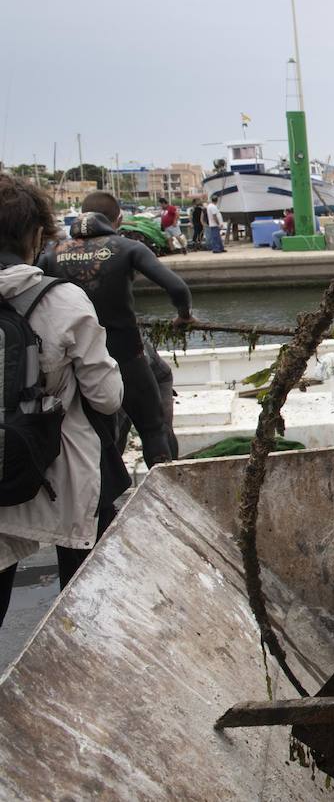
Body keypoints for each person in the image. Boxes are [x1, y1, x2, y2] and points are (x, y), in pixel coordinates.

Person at [0, 176, 125, 628]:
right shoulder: (62, 300)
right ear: (36, 236)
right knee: (81, 598)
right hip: (58, 472)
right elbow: (107, 398)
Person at [39, 192, 193, 468]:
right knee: (153, 429)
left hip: (76, 361)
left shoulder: (52, 255)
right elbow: (178, 288)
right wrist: (183, 316)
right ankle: (168, 489)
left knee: (89, 437)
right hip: (125, 355)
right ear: (118, 219)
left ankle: (103, 506)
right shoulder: (128, 248)